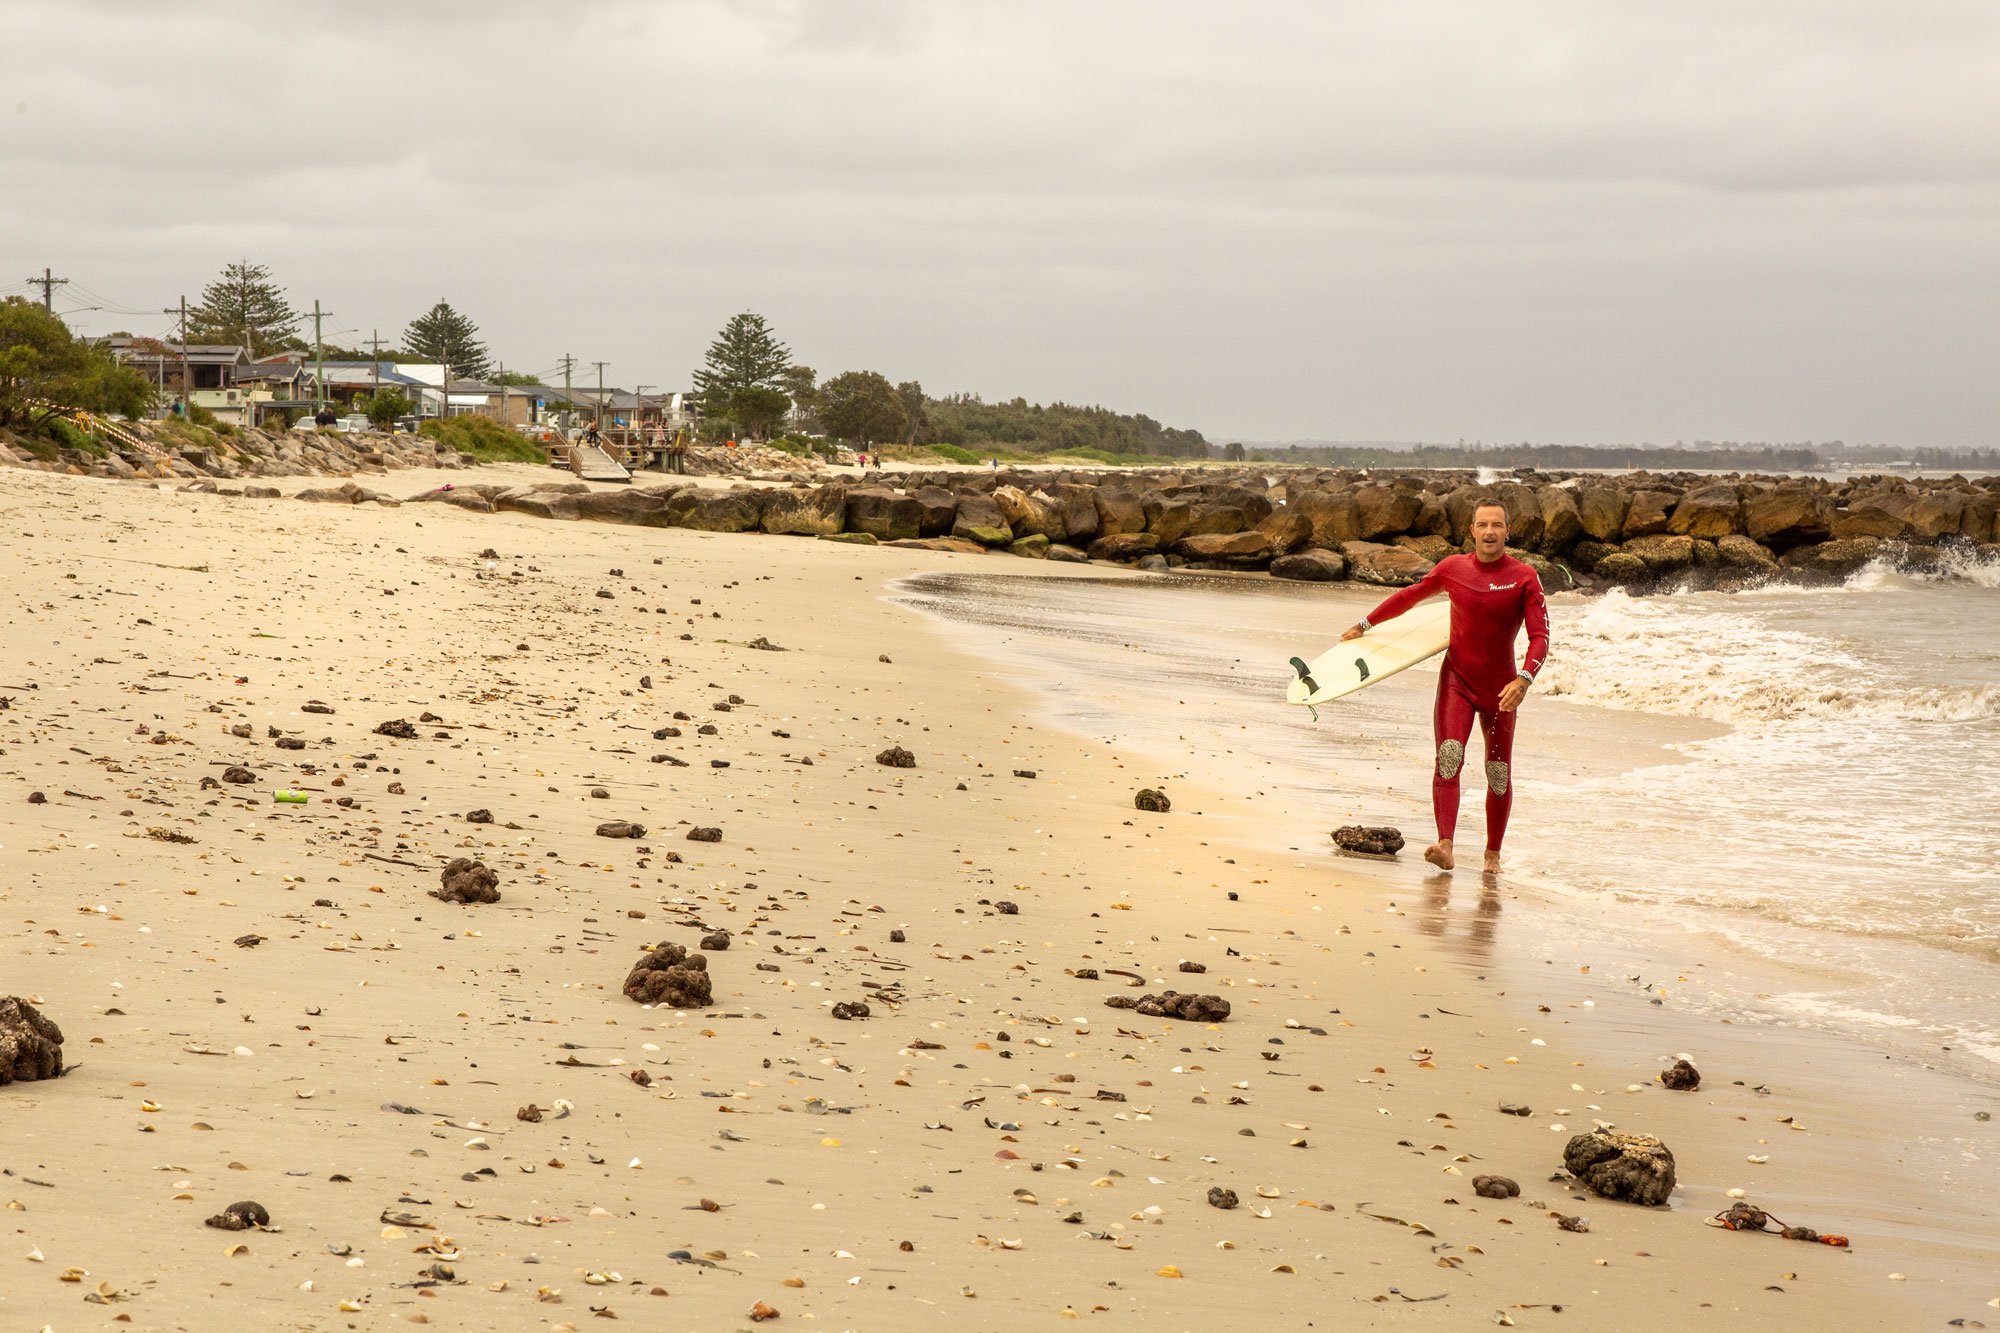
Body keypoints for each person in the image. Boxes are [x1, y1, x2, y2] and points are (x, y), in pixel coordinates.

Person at [1339, 500, 1550, 873]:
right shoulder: (1453, 569)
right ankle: (1446, 845)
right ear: (1471, 530)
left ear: (1507, 531)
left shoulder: (1524, 577)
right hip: (1458, 681)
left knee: (1498, 772)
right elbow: (1410, 597)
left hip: (1502, 689)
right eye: (1482, 524)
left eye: (1496, 525)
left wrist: (1524, 679)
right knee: (1449, 758)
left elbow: (1540, 636)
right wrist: (1365, 624)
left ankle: (1492, 857)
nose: (1489, 531)